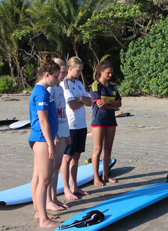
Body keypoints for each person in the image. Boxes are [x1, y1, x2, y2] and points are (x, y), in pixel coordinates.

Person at [28, 55, 60, 228]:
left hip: (39, 139)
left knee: (39, 177)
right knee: (45, 179)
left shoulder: (43, 91)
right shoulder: (41, 92)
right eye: (55, 76)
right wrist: (50, 142)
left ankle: (38, 212)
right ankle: (43, 219)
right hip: (41, 139)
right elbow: (43, 120)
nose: (57, 79)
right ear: (47, 74)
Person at [60, 57, 91, 200]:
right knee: (67, 157)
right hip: (70, 125)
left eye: (81, 70)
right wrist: (80, 100)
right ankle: (66, 188)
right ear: (70, 68)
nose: (80, 73)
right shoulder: (64, 83)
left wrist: (79, 99)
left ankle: (74, 186)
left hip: (81, 124)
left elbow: (89, 102)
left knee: (77, 156)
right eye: (78, 70)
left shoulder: (79, 83)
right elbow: (71, 104)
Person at [90, 60, 122, 186]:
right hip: (98, 121)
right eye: (108, 73)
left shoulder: (113, 86)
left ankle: (106, 175)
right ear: (101, 72)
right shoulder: (95, 86)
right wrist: (113, 106)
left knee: (108, 149)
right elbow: (99, 105)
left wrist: (109, 103)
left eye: (111, 73)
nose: (110, 75)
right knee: (97, 149)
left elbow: (119, 103)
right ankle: (96, 178)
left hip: (111, 121)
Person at [46, 58, 71, 211]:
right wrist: (54, 136)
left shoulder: (60, 88)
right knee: (50, 168)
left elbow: (63, 113)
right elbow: (49, 115)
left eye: (64, 72)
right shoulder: (49, 89)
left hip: (63, 131)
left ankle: (54, 197)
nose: (62, 75)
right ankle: (48, 200)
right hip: (54, 134)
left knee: (57, 167)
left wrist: (66, 133)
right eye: (61, 72)